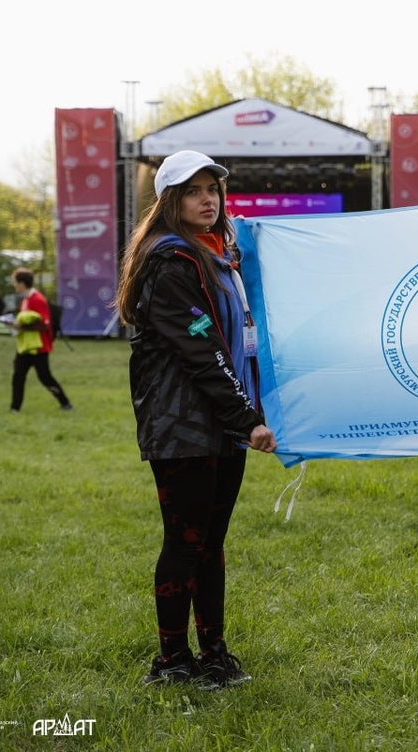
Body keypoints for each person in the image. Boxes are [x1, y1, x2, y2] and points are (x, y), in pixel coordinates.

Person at [113, 149, 277, 689]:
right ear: (170, 201)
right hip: (182, 425)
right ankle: (171, 660)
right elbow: (202, 352)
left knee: (211, 542)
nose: (207, 200)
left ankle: (214, 655)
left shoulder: (218, 254)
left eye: (212, 190)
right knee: (185, 542)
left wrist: (249, 414)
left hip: (222, 420)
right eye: (192, 191)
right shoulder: (169, 263)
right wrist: (247, 418)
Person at [9, 268, 73, 413]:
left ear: (22, 283)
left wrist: (21, 327)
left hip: (39, 347)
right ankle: (14, 408)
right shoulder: (25, 300)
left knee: (45, 377)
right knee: (18, 376)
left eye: (15, 282)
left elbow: (45, 325)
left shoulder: (37, 299)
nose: (14, 285)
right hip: (25, 346)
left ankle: (65, 403)